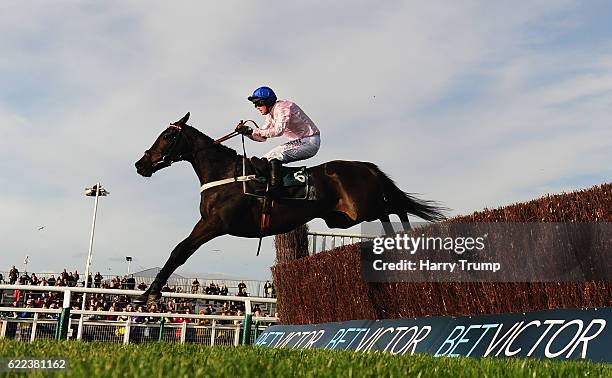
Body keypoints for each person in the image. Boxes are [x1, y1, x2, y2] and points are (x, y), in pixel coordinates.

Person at [236, 86, 321, 195]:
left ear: (267, 101)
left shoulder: (283, 107)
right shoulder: (270, 115)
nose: (256, 107)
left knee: (274, 156)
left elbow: (278, 131)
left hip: (310, 141)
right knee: (265, 160)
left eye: (258, 103)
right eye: (255, 104)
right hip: (301, 142)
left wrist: (254, 131)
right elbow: (262, 137)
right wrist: (248, 133)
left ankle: (276, 189)